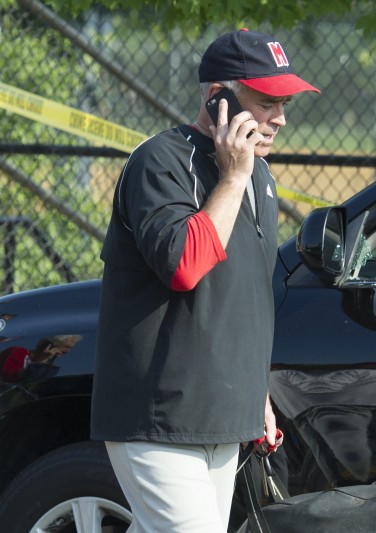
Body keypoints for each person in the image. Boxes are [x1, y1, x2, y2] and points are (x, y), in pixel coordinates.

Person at [90, 28, 319, 532]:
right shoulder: (161, 161)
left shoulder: (259, 175)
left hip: (222, 418)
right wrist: (232, 176)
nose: (279, 118)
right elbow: (184, 266)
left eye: (284, 102)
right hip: (157, 419)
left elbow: (245, 294)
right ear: (218, 98)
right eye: (265, 100)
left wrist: (255, 392)